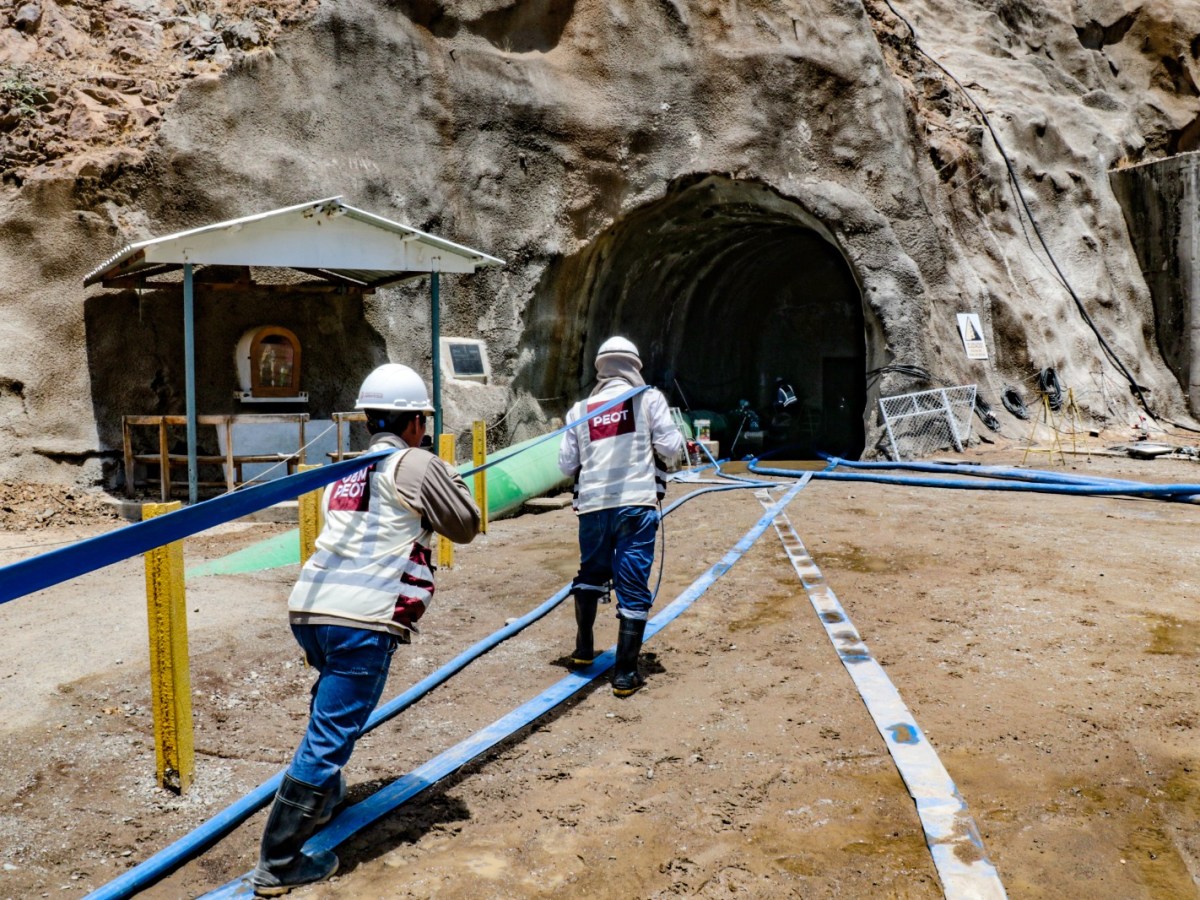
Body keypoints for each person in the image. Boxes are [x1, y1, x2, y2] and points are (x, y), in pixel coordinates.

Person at [249, 363, 481, 896]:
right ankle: (279, 861)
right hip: (361, 620)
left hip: (310, 611)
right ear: (416, 423)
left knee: (327, 708)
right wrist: (447, 478)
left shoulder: (350, 468)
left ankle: (325, 800)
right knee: (330, 735)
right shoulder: (417, 462)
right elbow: (464, 526)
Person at [558, 337, 683, 697]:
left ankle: (583, 651)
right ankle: (625, 674)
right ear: (634, 366)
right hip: (635, 506)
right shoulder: (648, 398)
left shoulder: (580, 409)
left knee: (591, 573)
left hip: (593, 509)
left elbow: (566, 464)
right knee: (632, 585)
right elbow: (670, 447)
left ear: (601, 368)